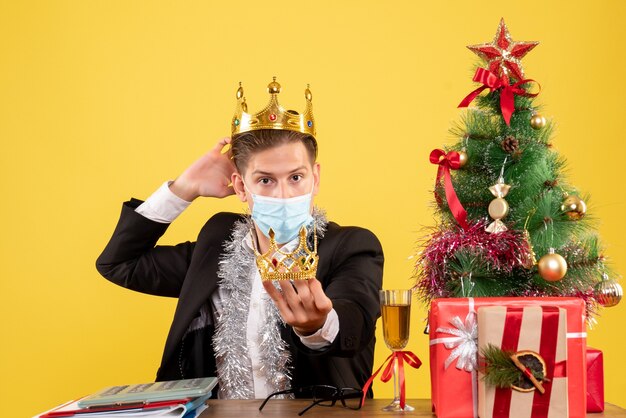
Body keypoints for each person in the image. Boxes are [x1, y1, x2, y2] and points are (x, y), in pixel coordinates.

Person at [96, 78, 384, 400]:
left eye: (296, 177)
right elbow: (119, 264)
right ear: (241, 187)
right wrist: (183, 188)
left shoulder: (352, 246)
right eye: (265, 180)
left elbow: (355, 321)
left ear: (315, 178)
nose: (284, 194)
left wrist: (316, 326)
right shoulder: (217, 243)